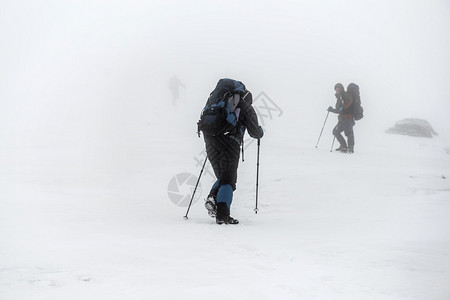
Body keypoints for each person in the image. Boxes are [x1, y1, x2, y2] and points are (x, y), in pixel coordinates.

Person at [203, 80, 264, 224]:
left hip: (210, 139)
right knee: (228, 179)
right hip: (230, 143)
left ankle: (213, 198)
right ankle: (223, 215)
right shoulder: (245, 107)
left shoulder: (216, 101)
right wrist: (260, 132)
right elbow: (255, 132)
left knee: (223, 176)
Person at [328, 83, 355, 153]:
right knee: (335, 131)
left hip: (348, 118)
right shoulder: (339, 98)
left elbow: (350, 101)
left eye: (338, 88)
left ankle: (350, 148)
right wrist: (331, 110)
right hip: (342, 119)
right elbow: (338, 110)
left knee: (349, 133)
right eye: (336, 89)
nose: (337, 90)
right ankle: (343, 146)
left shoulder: (345, 95)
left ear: (341, 88)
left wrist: (343, 108)